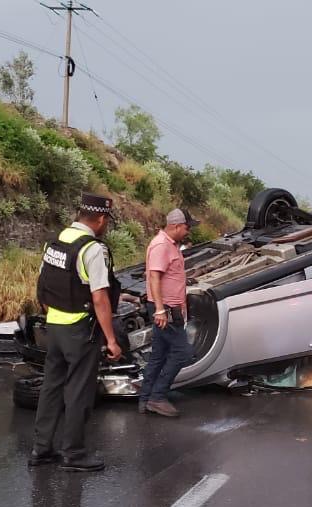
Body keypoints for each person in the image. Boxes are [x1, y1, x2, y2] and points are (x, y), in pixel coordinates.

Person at [31, 193, 122, 472]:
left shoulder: (56, 241)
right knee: (79, 392)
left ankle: (41, 449)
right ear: (101, 219)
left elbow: (44, 284)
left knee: (51, 388)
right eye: (107, 221)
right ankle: (73, 453)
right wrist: (111, 339)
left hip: (54, 326)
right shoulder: (93, 249)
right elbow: (99, 298)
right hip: (80, 329)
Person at [138, 208, 199, 417]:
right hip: (166, 310)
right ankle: (157, 396)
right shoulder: (162, 245)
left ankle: (146, 398)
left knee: (159, 355)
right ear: (175, 226)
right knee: (183, 353)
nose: (188, 231)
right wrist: (160, 309)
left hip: (168, 309)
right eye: (186, 227)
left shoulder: (170, 245)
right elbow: (154, 277)